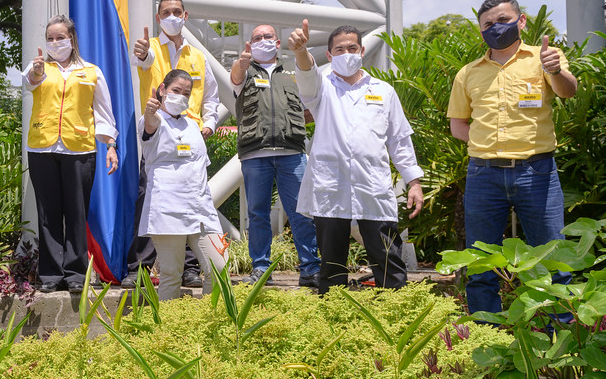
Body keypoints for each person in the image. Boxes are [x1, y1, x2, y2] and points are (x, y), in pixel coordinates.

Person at [448, 0, 577, 315]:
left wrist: (557, 71)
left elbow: (567, 91)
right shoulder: (468, 73)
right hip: (483, 175)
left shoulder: (544, 58)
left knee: (552, 260)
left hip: (537, 172)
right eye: (488, 24)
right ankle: (486, 341)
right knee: (480, 265)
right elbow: (457, 125)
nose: (496, 28)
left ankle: (557, 344)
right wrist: (487, 145)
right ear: (481, 32)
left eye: (503, 20)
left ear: (520, 21)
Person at [289, 21, 424, 294]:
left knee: (388, 259)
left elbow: (399, 139)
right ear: (329, 55)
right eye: (339, 49)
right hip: (331, 188)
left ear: (362, 50)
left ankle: (396, 314)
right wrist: (301, 50)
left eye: (352, 47)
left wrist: (414, 182)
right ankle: (334, 319)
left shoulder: (383, 90)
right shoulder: (321, 88)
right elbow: (306, 75)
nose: (346, 53)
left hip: (372, 187)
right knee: (331, 266)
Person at [122, 0, 222, 289]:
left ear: (185, 15)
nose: (172, 16)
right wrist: (141, 54)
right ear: (158, 17)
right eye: (166, 12)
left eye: (177, 11)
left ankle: (190, 267)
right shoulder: (151, 48)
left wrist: (210, 124)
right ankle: (140, 266)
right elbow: (143, 61)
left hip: (192, 135)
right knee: (150, 199)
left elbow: (212, 97)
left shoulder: (198, 57)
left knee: (193, 200)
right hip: (160, 133)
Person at [24, 14, 119, 293]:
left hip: (80, 148)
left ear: (72, 39)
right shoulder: (39, 68)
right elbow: (27, 83)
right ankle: (51, 275)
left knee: (76, 213)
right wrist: (35, 72)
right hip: (42, 147)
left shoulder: (91, 71)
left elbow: (103, 112)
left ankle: (76, 273)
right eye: (50, 38)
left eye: (60, 37)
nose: (55, 42)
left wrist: (110, 144)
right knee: (48, 213)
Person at [230, 24, 320, 287]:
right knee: (257, 214)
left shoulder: (293, 72)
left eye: (267, 36)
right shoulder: (244, 71)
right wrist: (242, 63)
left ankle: (310, 268)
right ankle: (260, 268)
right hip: (255, 154)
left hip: (292, 152)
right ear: (250, 43)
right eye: (256, 38)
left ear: (277, 42)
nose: (262, 41)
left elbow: (312, 104)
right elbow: (235, 79)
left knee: (301, 212)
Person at [139, 69, 227, 301]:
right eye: (175, 91)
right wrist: (149, 111)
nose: (181, 96)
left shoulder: (191, 125)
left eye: (186, 93)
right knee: (171, 274)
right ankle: (169, 330)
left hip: (201, 209)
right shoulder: (154, 119)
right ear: (162, 90)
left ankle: (211, 321)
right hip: (168, 209)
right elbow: (149, 126)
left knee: (219, 267)